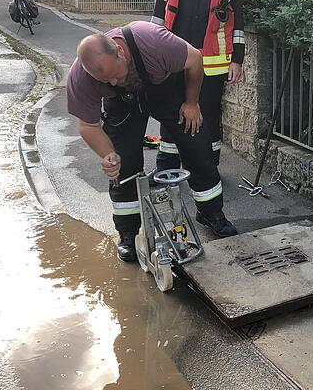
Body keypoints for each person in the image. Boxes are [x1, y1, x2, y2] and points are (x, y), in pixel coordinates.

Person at [66, 21, 238, 263]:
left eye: (116, 75)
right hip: (122, 105)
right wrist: (108, 155)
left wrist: (190, 103)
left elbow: (194, 59)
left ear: (120, 52)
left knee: (197, 143)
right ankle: (127, 233)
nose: (113, 83)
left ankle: (211, 213)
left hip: (164, 88)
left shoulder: (152, 41)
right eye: (105, 81)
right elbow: (87, 125)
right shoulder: (81, 76)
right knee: (123, 162)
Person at [151, 0, 245, 169]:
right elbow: (159, 13)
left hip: (212, 64)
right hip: (174, 57)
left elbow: (238, 22)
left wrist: (237, 59)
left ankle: (208, 168)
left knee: (209, 117)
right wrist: (153, 48)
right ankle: (168, 169)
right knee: (171, 113)